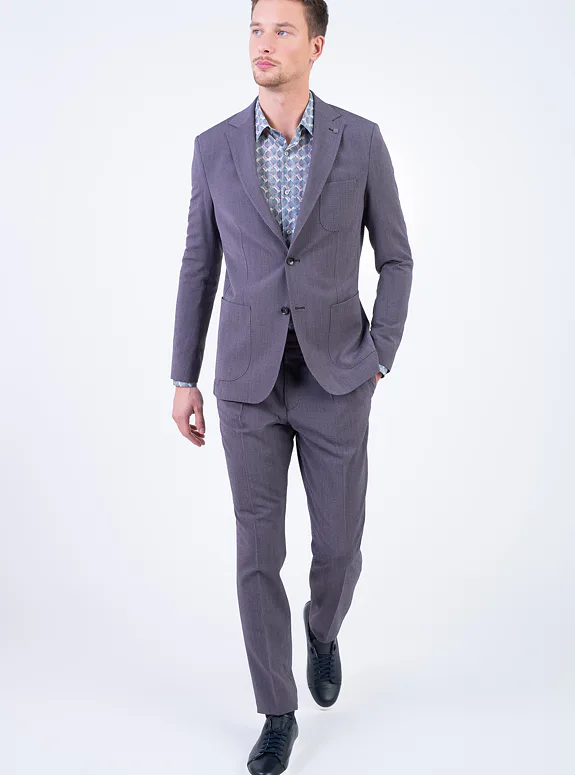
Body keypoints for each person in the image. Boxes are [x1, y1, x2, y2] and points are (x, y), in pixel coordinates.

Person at [170, 0, 413, 771]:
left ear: (316, 45)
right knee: (256, 551)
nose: (263, 43)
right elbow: (198, 265)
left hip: (336, 375)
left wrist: (378, 353)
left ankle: (322, 627)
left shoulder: (358, 140)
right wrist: (183, 375)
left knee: (338, 546)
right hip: (247, 382)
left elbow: (396, 257)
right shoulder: (213, 147)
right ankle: (277, 710)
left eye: (281, 30)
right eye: (254, 28)